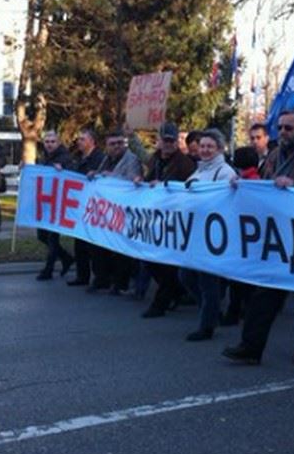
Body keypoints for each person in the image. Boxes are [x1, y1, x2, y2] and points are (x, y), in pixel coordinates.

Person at [222, 109, 294, 365]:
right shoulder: (275, 154)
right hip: (278, 236)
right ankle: (251, 346)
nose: (283, 132)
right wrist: (242, 185)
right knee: (265, 293)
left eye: (289, 128)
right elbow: (264, 185)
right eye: (281, 127)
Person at [179, 129, 235, 341]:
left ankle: (207, 325)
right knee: (186, 276)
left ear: (219, 149)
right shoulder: (199, 170)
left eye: (210, 146)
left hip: (213, 235)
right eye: (202, 146)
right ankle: (211, 312)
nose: (205, 150)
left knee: (207, 281)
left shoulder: (225, 172)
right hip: (195, 233)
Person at [141, 122, 197, 318]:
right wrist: (142, 182)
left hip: (175, 219)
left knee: (165, 263)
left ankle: (160, 303)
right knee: (150, 261)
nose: (168, 144)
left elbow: (188, 188)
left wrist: (165, 185)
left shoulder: (185, 163)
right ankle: (177, 291)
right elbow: (149, 179)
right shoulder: (154, 160)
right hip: (156, 219)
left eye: (172, 141)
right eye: (165, 140)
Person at [87, 129, 142, 295]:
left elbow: (134, 180)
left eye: (120, 143)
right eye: (113, 144)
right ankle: (102, 278)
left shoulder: (131, 159)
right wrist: (94, 174)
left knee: (120, 250)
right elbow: (103, 175)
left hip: (122, 211)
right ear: (107, 146)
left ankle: (120, 282)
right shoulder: (106, 159)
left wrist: (113, 177)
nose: (117, 146)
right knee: (99, 246)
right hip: (106, 211)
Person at [221, 145, 261, 326]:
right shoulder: (249, 179)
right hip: (248, 235)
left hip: (244, 235)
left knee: (239, 280)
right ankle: (240, 310)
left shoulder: (248, 182)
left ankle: (235, 312)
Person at [67, 129, 106, 288]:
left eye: (82, 139)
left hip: (94, 207)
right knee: (80, 243)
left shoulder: (100, 158)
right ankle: (82, 275)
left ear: (92, 141)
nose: (79, 141)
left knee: (93, 246)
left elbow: (104, 176)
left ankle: (100, 277)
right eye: (79, 139)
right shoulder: (78, 157)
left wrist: (96, 173)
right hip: (81, 205)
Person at [36, 131, 74, 281]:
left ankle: (48, 270)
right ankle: (66, 258)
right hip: (46, 202)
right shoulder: (45, 157)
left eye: (52, 141)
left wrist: (63, 170)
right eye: (47, 142)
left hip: (58, 203)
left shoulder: (64, 157)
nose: (49, 144)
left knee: (52, 238)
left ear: (58, 143)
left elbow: (72, 174)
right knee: (42, 236)